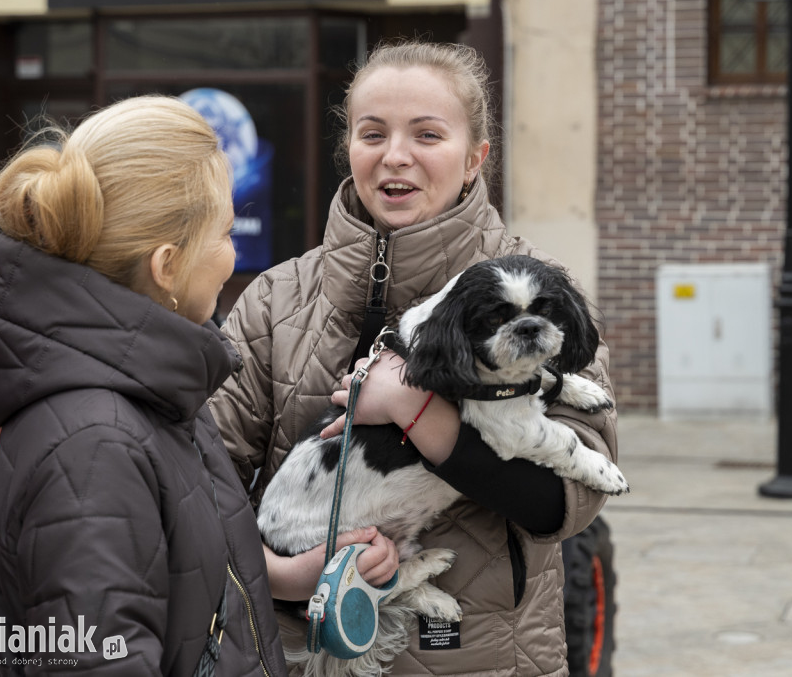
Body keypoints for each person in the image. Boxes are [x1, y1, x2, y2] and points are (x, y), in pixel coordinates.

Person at [0, 95, 398, 676]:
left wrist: (287, 576)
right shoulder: (96, 444)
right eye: (226, 232)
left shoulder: (146, 393)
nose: (233, 255)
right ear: (166, 266)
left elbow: (177, 573)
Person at [209, 41, 619, 676]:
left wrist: (409, 407)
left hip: (487, 663)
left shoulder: (541, 289)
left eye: (427, 134)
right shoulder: (274, 300)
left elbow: (563, 502)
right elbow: (206, 487)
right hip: (304, 653)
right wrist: (286, 576)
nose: (395, 155)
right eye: (373, 133)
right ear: (350, 148)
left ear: (475, 157)